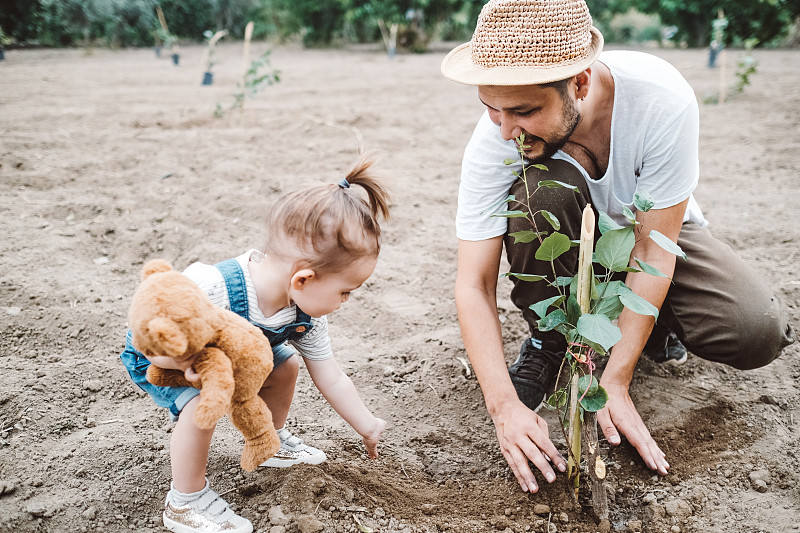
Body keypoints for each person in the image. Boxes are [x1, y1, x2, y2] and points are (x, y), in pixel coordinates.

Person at [441, 0, 794, 495]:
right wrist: (503, 407)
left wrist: (616, 379)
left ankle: (653, 329)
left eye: (523, 111)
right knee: (538, 192)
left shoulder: (660, 98)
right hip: (567, 242)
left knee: (756, 329)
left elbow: (655, 248)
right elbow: (472, 283)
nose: (505, 130)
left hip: (651, 232)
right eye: (491, 108)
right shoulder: (496, 138)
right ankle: (551, 340)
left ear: (579, 83)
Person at [120, 154, 390, 533]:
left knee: (285, 365)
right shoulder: (213, 287)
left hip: (230, 356)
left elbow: (331, 375)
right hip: (162, 356)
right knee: (200, 405)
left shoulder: (305, 315)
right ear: (303, 279)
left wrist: (366, 424)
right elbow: (149, 330)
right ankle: (185, 501)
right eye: (345, 291)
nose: (345, 301)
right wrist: (182, 366)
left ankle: (269, 440)